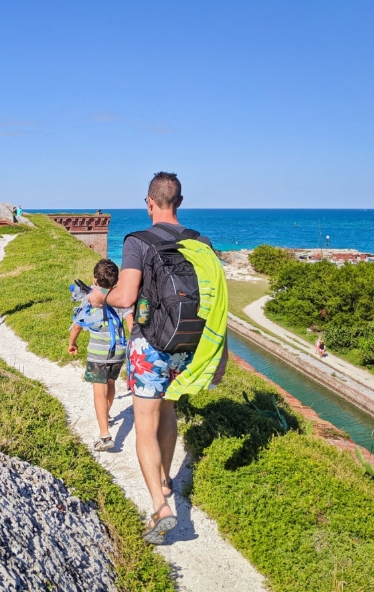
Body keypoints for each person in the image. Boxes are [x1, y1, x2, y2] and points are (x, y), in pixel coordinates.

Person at [88, 172, 228, 545]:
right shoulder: (202, 243)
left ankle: (160, 506)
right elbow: (217, 304)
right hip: (189, 344)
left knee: (145, 423)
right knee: (169, 411)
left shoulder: (138, 241)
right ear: (179, 202)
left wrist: (102, 296)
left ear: (149, 202)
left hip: (150, 344)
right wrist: (221, 355)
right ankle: (165, 477)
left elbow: (126, 296)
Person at [68, 259, 134, 452]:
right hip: (118, 352)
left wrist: (72, 343)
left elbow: (78, 324)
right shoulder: (121, 299)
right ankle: (107, 414)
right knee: (111, 384)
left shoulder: (90, 298)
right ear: (115, 281)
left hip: (98, 352)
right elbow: (131, 326)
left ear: (94, 279)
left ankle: (105, 435)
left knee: (99, 392)